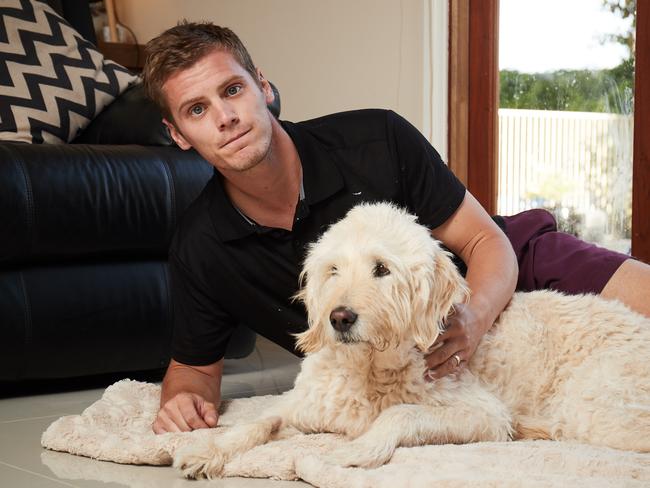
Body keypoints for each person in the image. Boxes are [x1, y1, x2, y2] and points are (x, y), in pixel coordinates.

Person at [142, 21, 650, 434]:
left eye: (232, 90)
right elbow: (193, 369)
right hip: (424, 374)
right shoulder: (201, 245)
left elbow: (483, 240)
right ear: (178, 134)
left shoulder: (376, 137)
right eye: (197, 110)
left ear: (263, 86)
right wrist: (183, 403)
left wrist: (472, 317)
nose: (225, 117)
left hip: (500, 268)